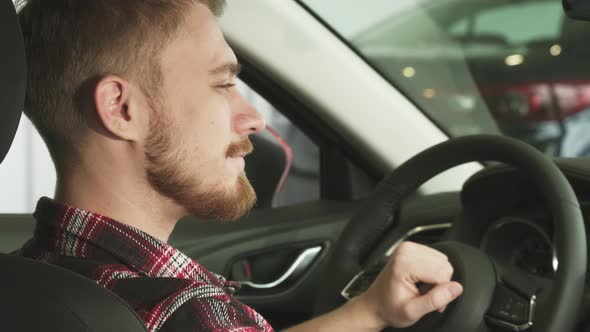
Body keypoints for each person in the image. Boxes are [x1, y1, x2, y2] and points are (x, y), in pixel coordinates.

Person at [14, 0, 463, 331]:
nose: (254, 118)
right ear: (122, 108)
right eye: (222, 84)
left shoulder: (31, 275)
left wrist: (369, 312)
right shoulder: (191, 313)